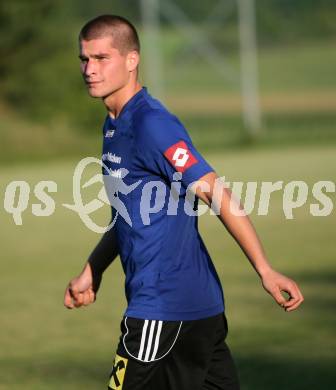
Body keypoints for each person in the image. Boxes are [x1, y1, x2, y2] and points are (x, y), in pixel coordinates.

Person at [64, 15, 304, 390]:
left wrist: (265, 269)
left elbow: (216, 194)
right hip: (196, 309)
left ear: (132, 60)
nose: (89, 70)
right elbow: (129, 216)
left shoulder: (151, 124)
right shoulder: (114, 125)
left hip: (162, 311)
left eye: (101, 58)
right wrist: (92, 269)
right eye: (85, 59)